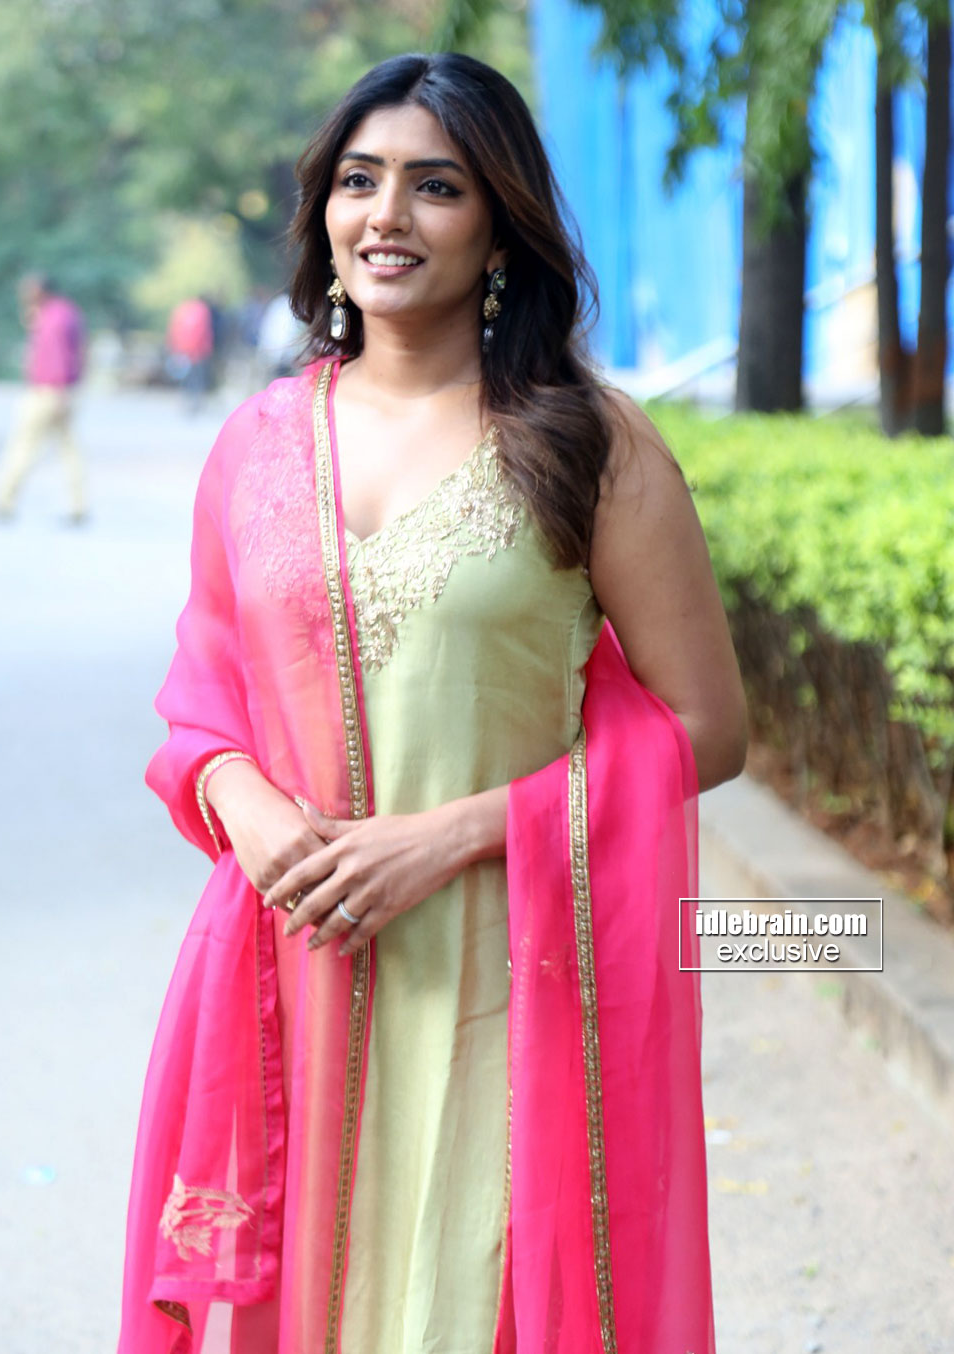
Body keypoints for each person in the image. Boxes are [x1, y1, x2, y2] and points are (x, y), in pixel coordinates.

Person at [118, 51, 747, 1354]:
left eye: (435, 186)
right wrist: (238, 794)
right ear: (323, 210)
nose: (386, 216)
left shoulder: (588, 445)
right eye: (359, 181)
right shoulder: (256, 441)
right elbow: (202, 698)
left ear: (500, 227)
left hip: (505, 976)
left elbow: (706, 725)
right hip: (290, 964)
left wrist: (456, 832)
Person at [0, 273, 86, 523]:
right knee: (68, 450)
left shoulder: (53, 317)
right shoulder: (65, 312)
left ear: (41, 290)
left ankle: (3, 501)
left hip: (48, 390)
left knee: (24, 444)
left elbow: (56, 355)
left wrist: (58, 387)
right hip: (64, 390)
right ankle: (78, 506)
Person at [166, 295, 214, 412]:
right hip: (198, 351)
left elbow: (173, 328)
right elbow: (203, 331)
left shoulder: (181, 309)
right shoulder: (202, 310)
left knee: (185, 377)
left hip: (182, 349)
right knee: (197, 377)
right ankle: (196, 402)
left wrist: (173, 346)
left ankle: (185, 401)